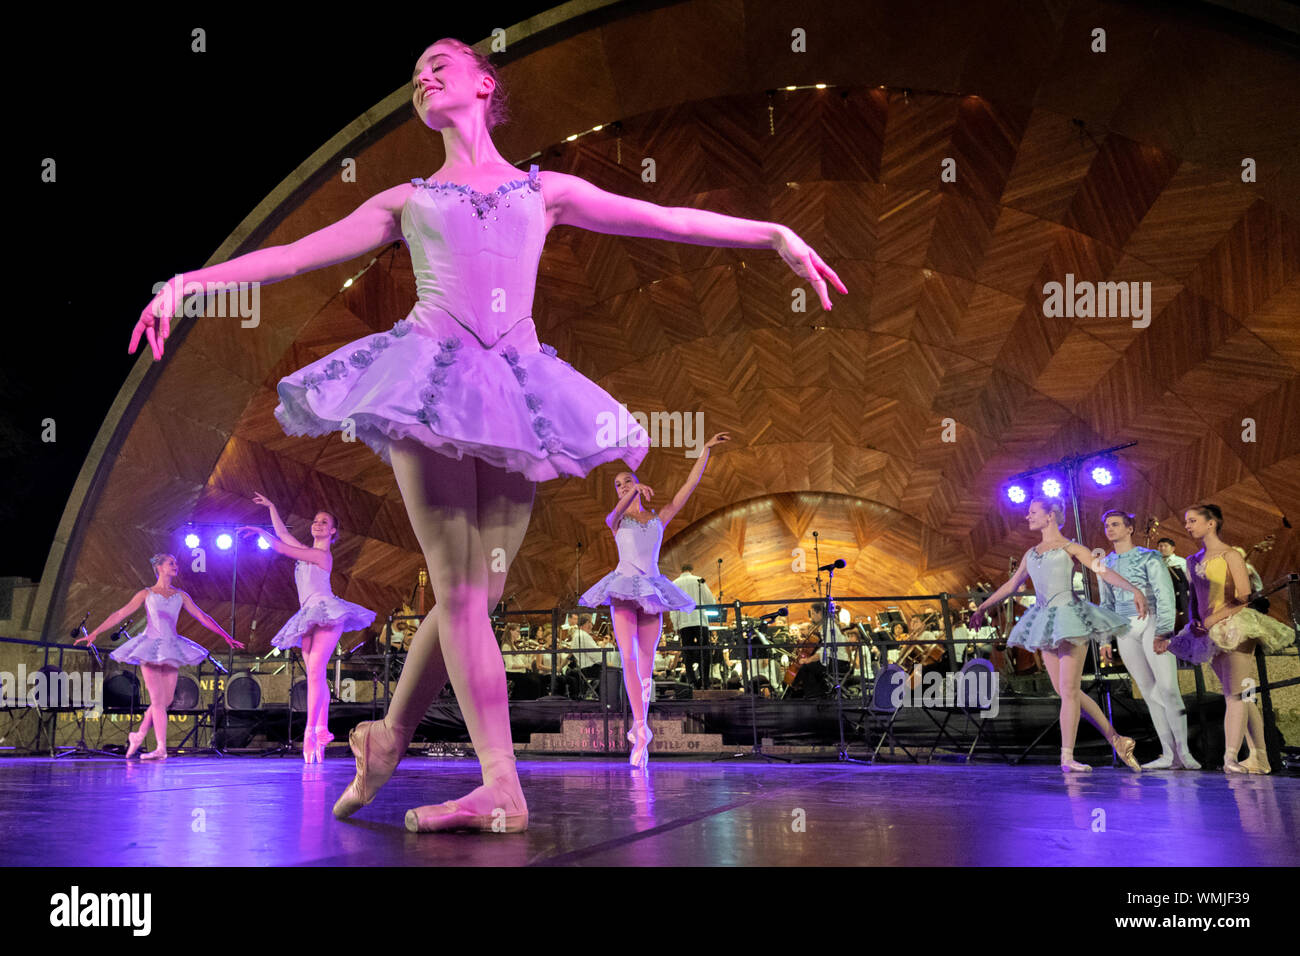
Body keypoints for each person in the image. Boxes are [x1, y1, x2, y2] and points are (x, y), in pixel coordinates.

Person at [129, 38, 841, 829]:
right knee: (463, 586)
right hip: (427, 382)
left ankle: (388, 738)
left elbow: (664, 218)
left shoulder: (545, 190)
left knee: (483, 591)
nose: (422, 77)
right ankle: (501, 781)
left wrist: (773, 232)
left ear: (483, 82)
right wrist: (188, 282)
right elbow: (296, 254)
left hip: (515, 389)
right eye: (413, 76)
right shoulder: (406, 200)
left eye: (438, 62)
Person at [580, 434, 730, 767]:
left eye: (626, 481)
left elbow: (687, 488)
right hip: (622, 587)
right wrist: (632, 491)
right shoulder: (616, 520)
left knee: (647, 662)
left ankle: (641, 730)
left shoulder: (659, 517)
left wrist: (703, 452)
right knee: (629, 657)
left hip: (651, 589)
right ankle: (639, 727)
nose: (621, 487)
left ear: (637, 483)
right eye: (617, 485)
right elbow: (611, 516)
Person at [970, 496, 1147, 773]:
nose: (1028, 516)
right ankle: (1117, 739)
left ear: (1050, 515)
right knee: (1066, 691)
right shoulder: (1031, 554)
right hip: (1044, 620)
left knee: (1068, 691)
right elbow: (1012, 585)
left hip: (1070, 619)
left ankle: (1067, 757)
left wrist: (1134, 589)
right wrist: (982, 606)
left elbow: (1103, 570)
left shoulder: (1071, 548)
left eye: (1033, 512)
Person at [1155, 504, 1295, 774]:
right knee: (1241, 696)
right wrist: (1196, 621)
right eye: (1186, 521)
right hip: (1208, 631)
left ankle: (1230, 757)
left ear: (1211, 523)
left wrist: (1215, 618)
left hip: (1235, 625)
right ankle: (1260, 757)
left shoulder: (1231, 555)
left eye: (1193, 520)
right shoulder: (1194, 560)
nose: (1187, 525)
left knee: (1236, 695)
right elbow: (1194, 598)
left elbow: (1244, 595)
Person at [239, 495, 376, 763]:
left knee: (314, 670)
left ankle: (312, 730)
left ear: (332, 530)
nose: (317, 524)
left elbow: (280, 546)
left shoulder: (321, 554)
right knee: (316, 675)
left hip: (326, 612)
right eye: (315, 521)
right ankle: (320, 729)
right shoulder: (306, 551)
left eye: (324, 522)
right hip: (307, 614)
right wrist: (271, 508)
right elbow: (281, 535)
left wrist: (259, 533)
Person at [76, 554, 243, 759]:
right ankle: (161, 748)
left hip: (171, 647)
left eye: (175, 563)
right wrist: (95, 632)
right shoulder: (146, 594)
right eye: (171, 563)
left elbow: (202, 616)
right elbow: (120, 614)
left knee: (166, 700)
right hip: (150, 647)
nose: (176, 566)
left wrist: (225, 635)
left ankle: (138, 735)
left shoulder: (181, 595)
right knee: (156, 700)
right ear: (159, 567)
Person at [1098, 510, 1197, 770]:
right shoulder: (1105, 564)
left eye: (1116, 524)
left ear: (1130, 528)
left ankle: (1184, 752)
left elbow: (1165, 595)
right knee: (1149, 691)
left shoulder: (1149, 556)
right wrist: (1105, 640)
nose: (1110, 529)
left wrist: (1163, 631)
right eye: (1107, 525)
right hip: (1123, 628)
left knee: (1167, 687)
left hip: (1151, 621)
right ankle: (1168, 754)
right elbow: (1105, 603)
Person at [669, 564, 715, 688]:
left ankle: (692, 681)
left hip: (684, 623)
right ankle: (705, 680)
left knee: (687, 652)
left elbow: (672, 607)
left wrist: (675, 625)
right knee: (704, 651)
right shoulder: (698, 580)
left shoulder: (675, 583)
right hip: (700, 621)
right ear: (691, 570)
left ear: (681, 570)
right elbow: (710, 600)